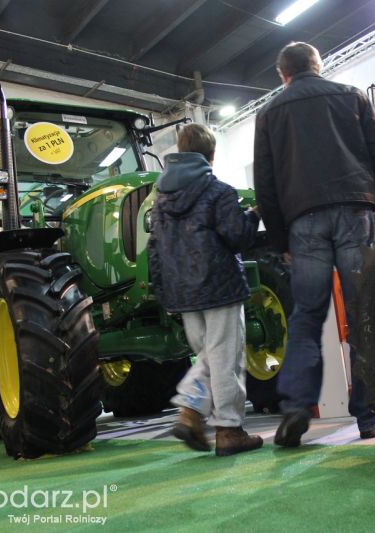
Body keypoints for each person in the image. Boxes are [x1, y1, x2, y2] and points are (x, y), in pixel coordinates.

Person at [253, 42, 375, 447]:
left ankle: (297, 406)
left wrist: (281, 239)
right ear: (319, 65)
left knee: (306, 317)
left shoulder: (268, 114)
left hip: (303, 224)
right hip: (355, 212)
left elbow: (265, 184)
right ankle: (371, 414)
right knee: (365, 311)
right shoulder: (350, 96)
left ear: (283, 75)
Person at [148, 124, 263, 456]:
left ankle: (190, 413)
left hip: (182, 293)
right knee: (225, 356)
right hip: (219, 286)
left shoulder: (160, 200)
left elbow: (153, 251)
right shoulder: (219, 192)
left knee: (209, 357)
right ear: (210, 156)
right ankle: (228, 430)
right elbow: (237, 236)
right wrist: (252, 216)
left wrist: (164, 294)